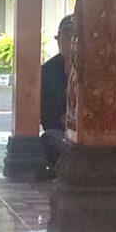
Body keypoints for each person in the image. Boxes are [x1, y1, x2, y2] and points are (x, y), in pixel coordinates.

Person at [40, 15, 74, 173]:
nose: (73, 44)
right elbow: (48, 118)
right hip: (64, 133)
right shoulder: (48, 72)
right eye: (67, 38)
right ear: (59, 41)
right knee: (50, 139)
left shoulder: (99, 69)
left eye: (77, 38)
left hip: (99, 135)